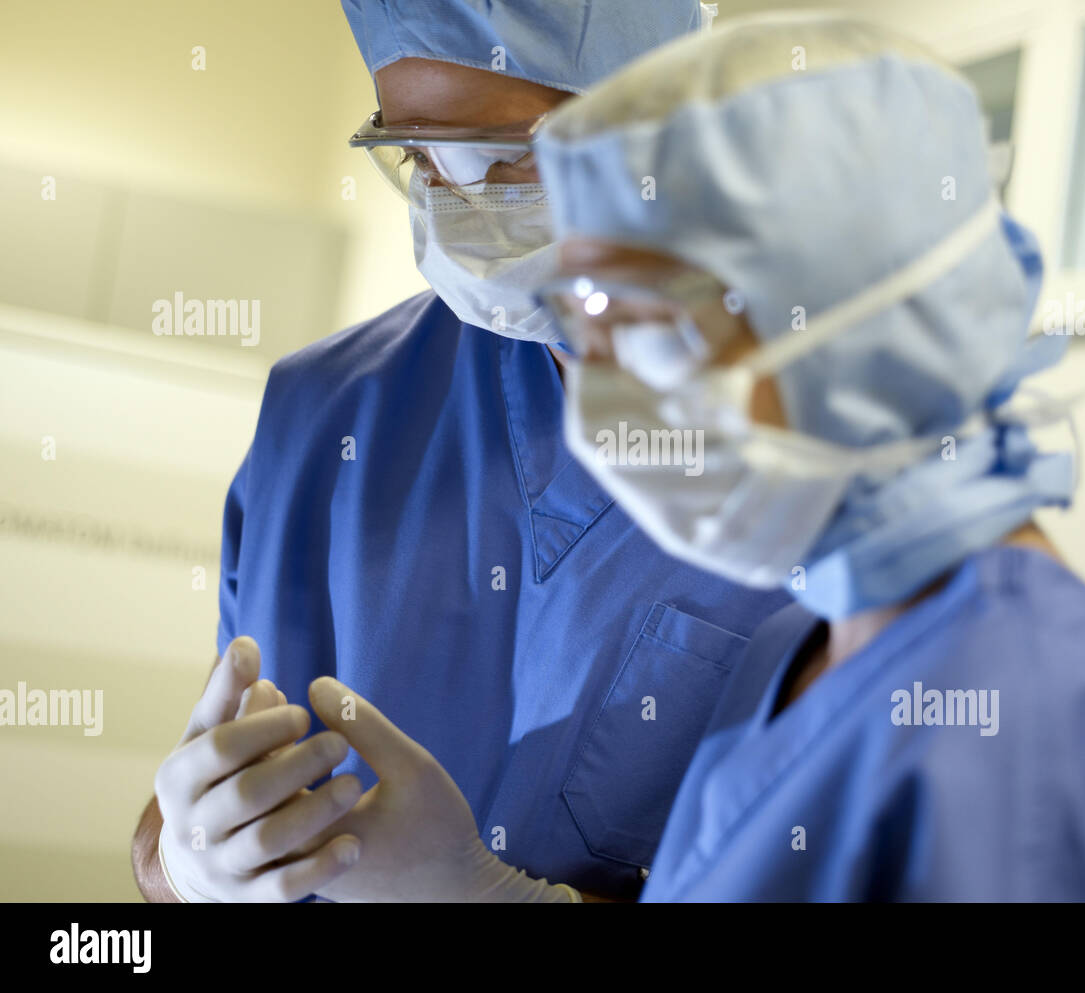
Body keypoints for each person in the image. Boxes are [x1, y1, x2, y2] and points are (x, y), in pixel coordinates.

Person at [532, 11, 1085, 900]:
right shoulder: (800, 642)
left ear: (857, 325)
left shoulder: (1019, 729)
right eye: (586, 324)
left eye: (651, 329)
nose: (600, 401)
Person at [132, 0, 790, 904]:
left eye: (503, 160)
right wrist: (184, 865)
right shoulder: (326, 410)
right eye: (419, 158)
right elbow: (188, 802)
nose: (459, 212)